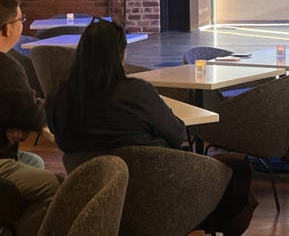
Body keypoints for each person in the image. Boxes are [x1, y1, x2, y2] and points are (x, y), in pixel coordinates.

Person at [46, 17, 186, 153]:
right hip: (146, 174)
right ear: (121, 56)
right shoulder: (138, 94)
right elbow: (178, 134)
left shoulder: (57, 99)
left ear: (80, 52)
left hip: (84, 175)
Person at [0, 0, 60, 236]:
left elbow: (20, 109)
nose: (22, 24)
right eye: (20, 19)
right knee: (60, 188)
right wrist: (24, 122)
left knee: (34, 161)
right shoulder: (6, 66)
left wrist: (16, 124)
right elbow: (34, 117)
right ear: (6, 28)